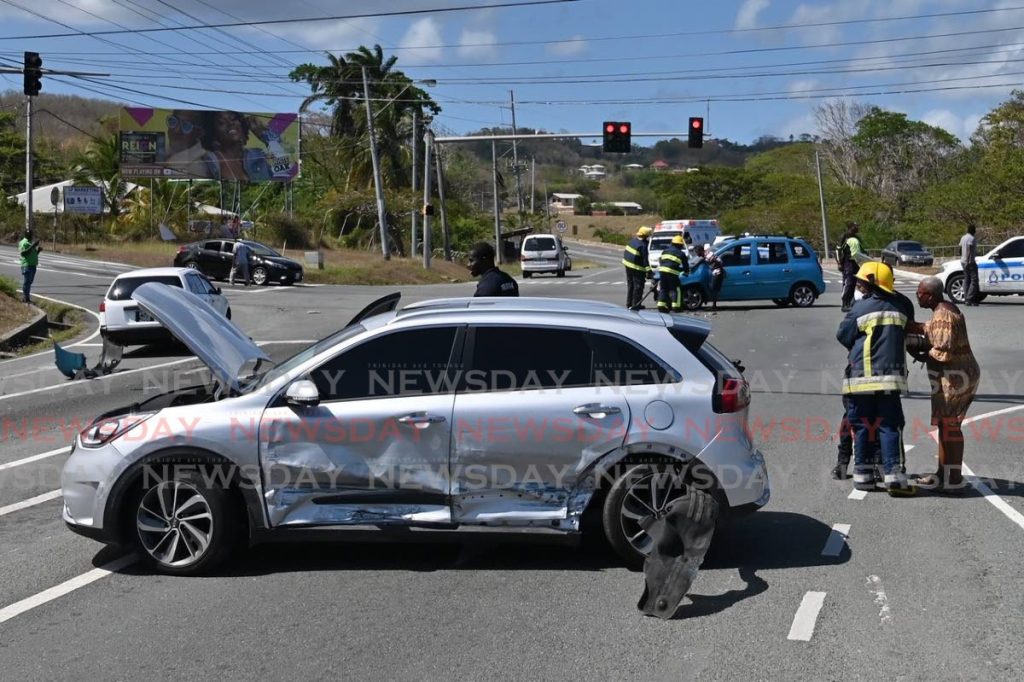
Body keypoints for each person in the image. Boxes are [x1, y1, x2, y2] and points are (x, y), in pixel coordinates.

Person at [836, 262, 915, 496]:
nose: (858, 284)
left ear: (870, 284)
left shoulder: (860, 309)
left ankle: (863, 478)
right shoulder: (902, 306)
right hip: (890, 381)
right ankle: (895, 478)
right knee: (890, 426)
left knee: (862, 428)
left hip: (860, 381)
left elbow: (843, 335)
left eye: (861, 281)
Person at [908, 277, 980, 493]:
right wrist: (915, 327)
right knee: (944, 425)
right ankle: (942, 473)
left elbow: (942, 351)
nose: (917, 295)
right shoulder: (942, 309)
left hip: (957, 377)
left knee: (951, 426)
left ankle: (955, 479)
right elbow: (932, 329)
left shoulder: (943, 315)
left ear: (929, 295)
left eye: (920, 292)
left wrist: (916, 351)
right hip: (954, 375)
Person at [199, 111, 272, 182]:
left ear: (242, 124)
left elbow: (282, 176)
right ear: (212, 132)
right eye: (222, 123)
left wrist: (269, 139)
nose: (230, 123)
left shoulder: (257, 155)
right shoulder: (211, 161)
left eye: (233, 119)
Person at [163, 109, 207, 177]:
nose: (176, 130)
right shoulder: (162, 151)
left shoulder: (197, 169)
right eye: (173, 121)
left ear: (199, 132)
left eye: (186, 126)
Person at [838, 221, 870, 312]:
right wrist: (840, 263)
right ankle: (845, 303)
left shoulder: (856, 238)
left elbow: (861, 250)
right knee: (848, 283)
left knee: (855, 283)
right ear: (851, 227)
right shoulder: (844, 236)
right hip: (848, 263)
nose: (857, 227)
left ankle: (851, 302)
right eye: (856, 226)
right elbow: (838, 251)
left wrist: (866, 257)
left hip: (857, 263)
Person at [656, 234, 690, 313]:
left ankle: (661, 305)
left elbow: (661, 261)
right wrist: (686, 272)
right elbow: (686, 266)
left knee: (663, 288)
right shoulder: (681, 253)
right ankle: (676, 306)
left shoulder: (665, 251)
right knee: (675, 289)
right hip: (672, 273)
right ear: (680, 245)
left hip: (662, 271)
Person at [622, 226, 652, 310]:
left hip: (627, 266)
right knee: (638, 286)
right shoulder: (643, 245)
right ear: (646, 236)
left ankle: (629, 303)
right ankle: (636, 305)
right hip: (637, 268)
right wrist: (649, 271)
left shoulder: (632, 241)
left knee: (631, 285)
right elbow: (645, 260)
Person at [18, 229, 41, 304]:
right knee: (27, 282)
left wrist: (38, 251)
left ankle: (27, 297)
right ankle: (25, 298)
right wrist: (33, 245)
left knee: (29, 282)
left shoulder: (29, 243)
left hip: (32, 265)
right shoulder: (24, 242)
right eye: (30, 235)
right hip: (27, 265)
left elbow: (32, 255)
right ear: (26, 235)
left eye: (32, 234)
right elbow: (23, 253)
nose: (31, 236)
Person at [959, 222, 979, 306]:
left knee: (967, 279)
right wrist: (969, 261)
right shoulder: (971, 238)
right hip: (969, 261)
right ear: (973, 230)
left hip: (963, 261)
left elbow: (960, 249)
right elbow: (969, 251)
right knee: (974, 280)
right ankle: (969, 298)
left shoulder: (963, 237)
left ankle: (966, 298)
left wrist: (962, 258)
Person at [701, 244, 725, 311]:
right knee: (713, 289)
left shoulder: (710, 255)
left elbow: (718, 261)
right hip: (716, 273)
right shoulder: (708, 255)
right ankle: (713, 304)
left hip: (717, 273)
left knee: (713, 289)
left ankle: (714, 306)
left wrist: (719, 269)